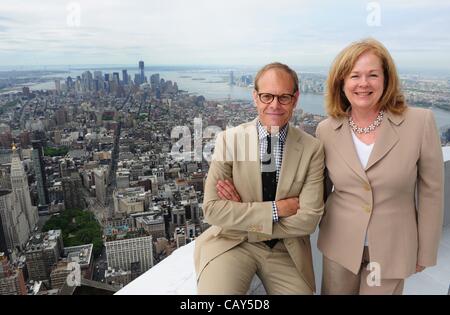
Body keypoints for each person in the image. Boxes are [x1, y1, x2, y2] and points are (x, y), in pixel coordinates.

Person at [316, 38, 444, 295]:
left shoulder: (419, 123)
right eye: (354, 76)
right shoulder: (326, 130)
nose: (363, 83)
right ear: (341, 83)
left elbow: (432, 193)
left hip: (394, 247)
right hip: (339, 245)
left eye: (373, 75)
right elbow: (318, 191)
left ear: (387, 79)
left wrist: (425, 251)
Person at [194, 62, 325, 294]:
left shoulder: (312, 149)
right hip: (232, 243)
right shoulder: (229, 140)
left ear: (295, 99)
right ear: (255, 97)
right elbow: (213, 209)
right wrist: (277, 209)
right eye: (267, 96)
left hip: (286, 249)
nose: (274, 105)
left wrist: (243, 214)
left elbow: (308, 220)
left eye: (283, 97)